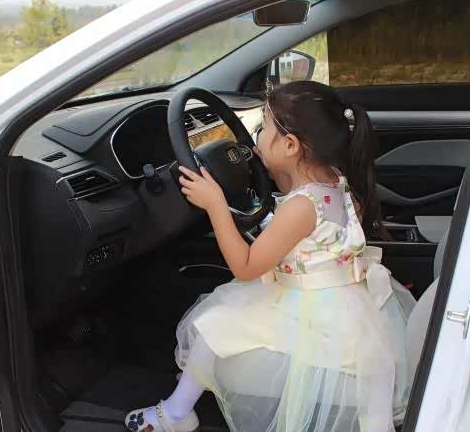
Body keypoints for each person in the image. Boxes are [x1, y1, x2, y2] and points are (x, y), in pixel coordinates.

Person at [125, 81, 415, 432]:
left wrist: (216, 204)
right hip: (351, 307)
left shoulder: (301, 207)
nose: (257, 137)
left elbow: (245, 267)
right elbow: (303, 226)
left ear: (291, 145)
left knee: (216, 324)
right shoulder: (337, 182)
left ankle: (175, 414)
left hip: (313, 309)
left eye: (263, 128)